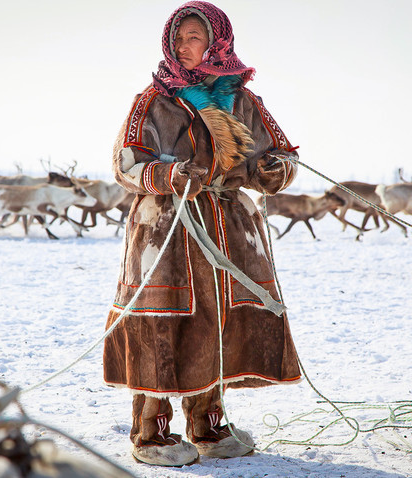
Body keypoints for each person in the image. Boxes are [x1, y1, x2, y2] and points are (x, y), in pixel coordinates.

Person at [103, 1, 302, 467]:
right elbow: (125, 164)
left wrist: (273, 170)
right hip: (166, 230)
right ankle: (150, 432)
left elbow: (280, 157)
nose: (183, 45)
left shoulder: (242, 101)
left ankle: (207, 424)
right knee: (161, 320)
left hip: (225, 228)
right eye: (178, 37)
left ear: (217, 41)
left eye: (194, 36)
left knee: (217, 320)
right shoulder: (152, 102)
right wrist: (171, 177)